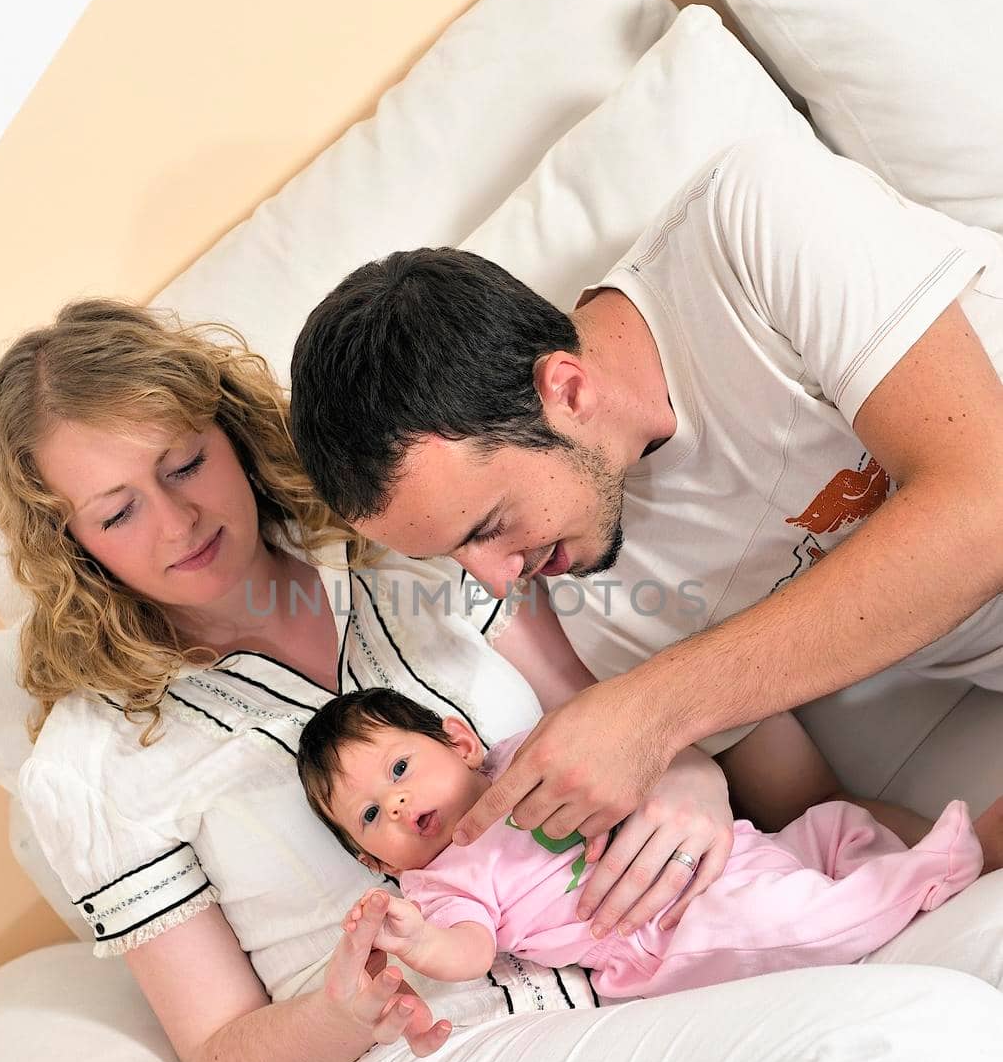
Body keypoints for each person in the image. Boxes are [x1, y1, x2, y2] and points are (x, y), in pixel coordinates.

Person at [0, 297, 1003, 1062]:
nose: (176, 522)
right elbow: (222, 1051)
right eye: (116, 510)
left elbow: (626, 729)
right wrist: (343, 1008)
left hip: (677, 989)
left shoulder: (413, 551)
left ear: (229, 430)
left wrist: (694, 790)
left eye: (184, 463)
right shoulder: (96, 760)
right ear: (69, 541)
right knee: (921, 1044)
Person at [287, 132, 1003, 932]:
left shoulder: (751, 226)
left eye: (487, 527)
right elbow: (821, 824)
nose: (497, 580)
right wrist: (691, 777)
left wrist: (659, 711)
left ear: (564, 389)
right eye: (453, 556)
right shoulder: (604, 603)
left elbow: (985, 503)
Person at [299, 687, 988, 999]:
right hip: (665, 935)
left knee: (829, 826)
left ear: (459, 741)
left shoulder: (531, 754)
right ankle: (937, 869)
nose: (393, 802)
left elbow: (629, 751)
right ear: (374, 862)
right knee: (771, 922)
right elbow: (468, 949)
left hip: (722, 851)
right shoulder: (444, 883)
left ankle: (881, 867)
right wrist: (417, 943)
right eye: (367, 816)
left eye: (398, 770)